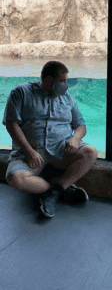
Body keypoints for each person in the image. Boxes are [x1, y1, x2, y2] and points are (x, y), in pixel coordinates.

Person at [3, 61, 98, 218]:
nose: (66, 85)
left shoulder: (67, 98)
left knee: (90, 152)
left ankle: (54, 192)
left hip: (62, 150)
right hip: (32, 153)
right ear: (48, 80)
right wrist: (29, 151)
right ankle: (59, 190)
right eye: (63, 81)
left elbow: (81, 125)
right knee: (14, 178)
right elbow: (12, 124)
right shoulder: (21, 92)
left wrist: (75, 138)